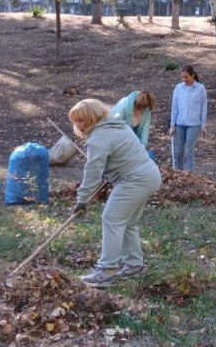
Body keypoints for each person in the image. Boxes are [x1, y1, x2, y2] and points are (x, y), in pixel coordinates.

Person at [69, 99, 162, 286]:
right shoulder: (117, 125)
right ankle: (134, 265)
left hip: (135, 180)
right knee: (128, 223)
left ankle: (107, 271)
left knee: (111, 219)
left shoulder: (98, 139)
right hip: (150, 175)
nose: (78, 124)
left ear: (95, 117)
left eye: (82, 119)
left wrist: (82, 199)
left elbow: (93, 172)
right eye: (75, 120)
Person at [169, 64, 207, 172]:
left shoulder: (200, 88)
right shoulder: (178, 88)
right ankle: (179, 174)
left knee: (189, 150)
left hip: (194, 124)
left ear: (192, 75)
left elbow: (204, 107)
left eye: (186, 77)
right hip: (179, 123)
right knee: (178, 151)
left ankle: (191, 175)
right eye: (182, 77)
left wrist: (203, 126)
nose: (184, 79)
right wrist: (172, 125)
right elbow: (174, 107)